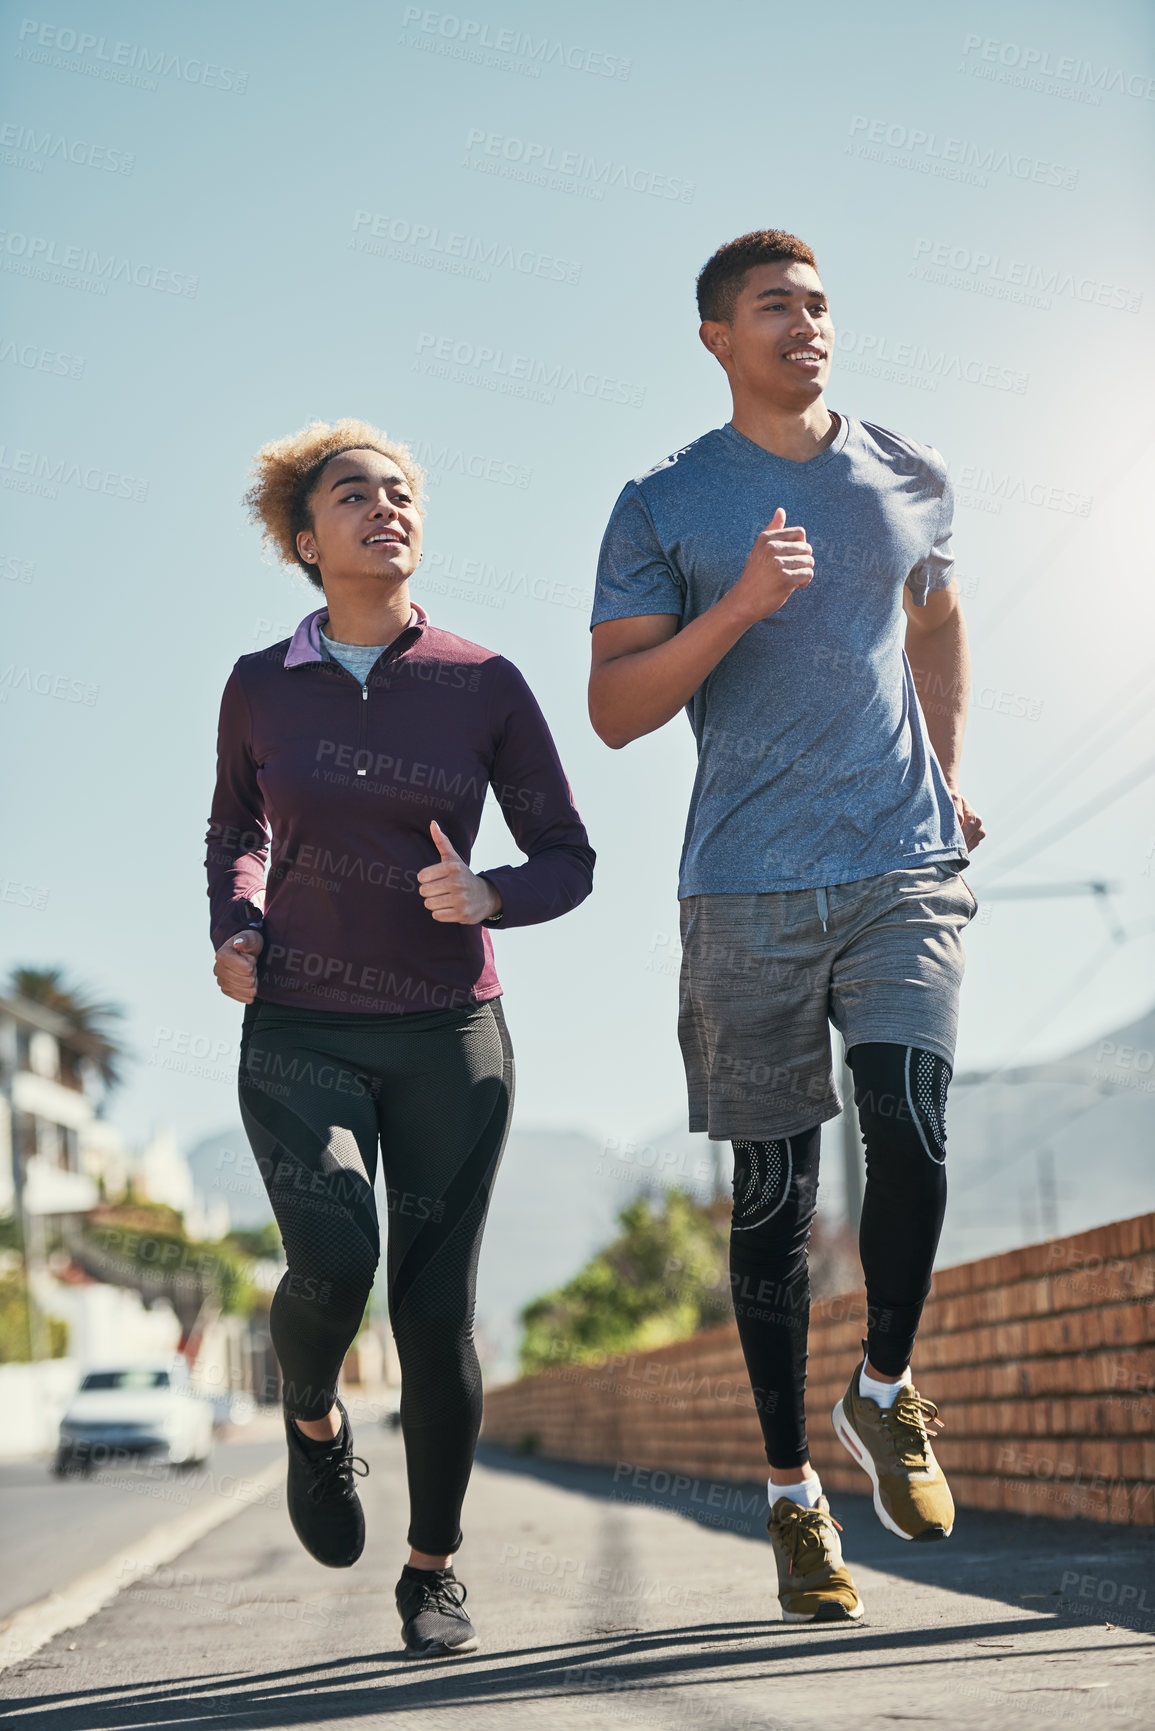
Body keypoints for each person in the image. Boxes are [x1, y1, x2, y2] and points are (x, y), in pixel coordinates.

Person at [588, 231, 985, 1623]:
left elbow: (933, 621)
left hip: (897, 861)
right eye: (775, 306)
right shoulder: (664, 500)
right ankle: (789, 1491)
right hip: (741, 885)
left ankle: (881, 1387)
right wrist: (741, 606)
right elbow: (618, 707)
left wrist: (943, 768)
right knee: (772, 1204)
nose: (807, 323)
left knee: (913, 1118)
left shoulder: (903, 471)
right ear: (715, 335)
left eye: (818, 302)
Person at [206, 418, 594, 1658]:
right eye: (354, 494)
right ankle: (313, 1420)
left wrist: (491, 895)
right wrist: (236, 922)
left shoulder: (483, 680)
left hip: (448, 1031)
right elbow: (235, 834)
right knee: (330, 1251)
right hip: (301, 1021)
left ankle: (432, 1570)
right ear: (306, 538)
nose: (387, 507)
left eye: (403, 492)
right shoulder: (260, 683)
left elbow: (567, 859)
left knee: (435, 1315)